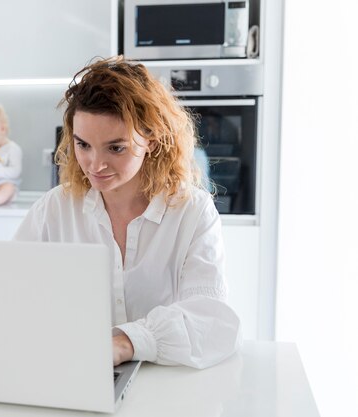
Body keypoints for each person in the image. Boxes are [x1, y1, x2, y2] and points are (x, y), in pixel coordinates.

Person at [14, 56, 241, 369]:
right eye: (83, 145)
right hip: (76, 374)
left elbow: (212, 321)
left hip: (167, 386)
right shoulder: (54, 209)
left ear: (151, 138)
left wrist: (124, 344)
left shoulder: (191, 212)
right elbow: (12, 297)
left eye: (115, 148)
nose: (95, 164)